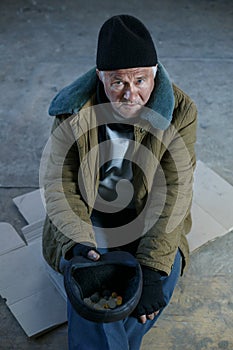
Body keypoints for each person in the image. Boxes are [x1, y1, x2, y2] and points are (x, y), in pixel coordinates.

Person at [42, 14, 197, 350]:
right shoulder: (72, 111)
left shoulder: (181, 112)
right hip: (90, 214)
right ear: (101, 77)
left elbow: (173, 190)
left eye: (141, 80)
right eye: (118, 83)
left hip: (149, 216)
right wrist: (78, 242)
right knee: (86, 281)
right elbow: (60, 183)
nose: (131, 94)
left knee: (156, 284)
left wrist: (152, 267)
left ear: (154, 74)